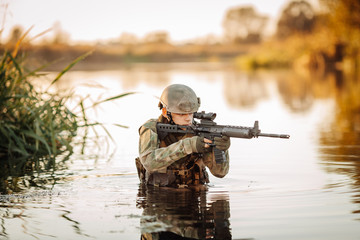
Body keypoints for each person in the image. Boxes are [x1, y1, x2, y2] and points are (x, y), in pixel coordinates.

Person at [136, 84, 230, 188]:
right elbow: (149, 163)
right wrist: (190, 145)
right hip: (159, 195)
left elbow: (220, 173)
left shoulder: (200, 131)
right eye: (181, 114)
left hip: (195, 194)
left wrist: (221, 148)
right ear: (165, 112)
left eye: (191, 113)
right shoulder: (151, 128)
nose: (188, 119)